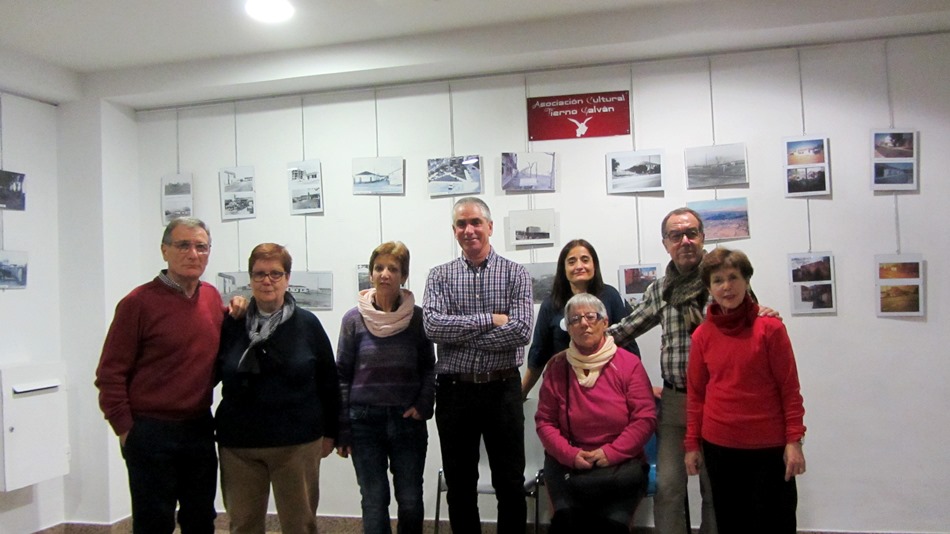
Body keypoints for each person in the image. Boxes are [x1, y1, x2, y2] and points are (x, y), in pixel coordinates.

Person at [96, 217, 233, 534]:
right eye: (183, 245)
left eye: (201, 247)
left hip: (198, 427)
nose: (193, 254)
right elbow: (110, 373)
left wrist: (237, 309)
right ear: (164, 250)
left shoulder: (212, 298)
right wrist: (126, 429)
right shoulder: (137, 304)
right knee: (153, 521)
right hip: (149, 431)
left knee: (200, 518)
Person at [422, 197, 533, 534]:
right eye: (461, 224)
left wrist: (460, 336)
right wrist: (491, 320)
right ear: (454, 230)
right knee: (460, 483)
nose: (468, 230)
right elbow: (433, 327)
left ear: (490, 227)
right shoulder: (439, 276)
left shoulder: (516, 273)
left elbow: (522, 331)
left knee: (510, 481)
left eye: (475, 222)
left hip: (503, 389)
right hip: (455, 392)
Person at [606, 207, 719, 534]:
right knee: (668, 487)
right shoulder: (660, 290)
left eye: (691, 233)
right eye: (676, 235)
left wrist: (766, 316)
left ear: (702, 237)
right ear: (666, 243)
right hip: (675, 403)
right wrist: (585, 339)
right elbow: (626, 329)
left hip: (719, 402)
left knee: (715, 490)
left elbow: (750, 319)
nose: (685, 241)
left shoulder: (721, 278)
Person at [214, 243, 340, 534]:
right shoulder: (232, 324)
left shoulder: (307, 325)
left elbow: (329, 382)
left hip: (296, 444)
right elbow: (212, 371)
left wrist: (332, 433)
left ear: (287, 278)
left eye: (275, 273)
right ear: (250, 279)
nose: (267, 281)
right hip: (239, 445)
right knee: (243, 525)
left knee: (300, 526)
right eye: (259, 274)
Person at [685, 248, 806, 533]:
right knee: (732, 523)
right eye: (717, 280)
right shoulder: (702, 335)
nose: (726, 286)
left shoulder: (770, 328)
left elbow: (790, 389)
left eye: (733, 277)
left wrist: (794, 441)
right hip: (721, 447)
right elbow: (696, 395)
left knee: (776, 522)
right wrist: (691, 444)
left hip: (770, 447)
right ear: (709, 288)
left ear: (747, 281)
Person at [336, 241, 436, 534]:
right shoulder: (353, 320)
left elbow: (429, 367)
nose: (385, 274)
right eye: (378, 268)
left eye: (393, 268)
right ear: (370, 274)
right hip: (364, 423)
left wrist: (423, 406)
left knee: (410, 501)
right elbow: (341, 374)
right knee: (374, 501)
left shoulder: (417, 319)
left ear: (403, 275)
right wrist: (342, 428)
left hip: (407, 422)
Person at [535, 293, 656, 534]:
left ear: (605, 322)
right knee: (565, 526)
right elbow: (545, 422)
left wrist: (610, 453)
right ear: (568, 328)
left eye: (591, 316)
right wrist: (570, 454)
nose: (584, 323)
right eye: (575, 319)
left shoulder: (629, 364)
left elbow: (645, 419)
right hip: (568, 466)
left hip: (619, 465)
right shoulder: (557, 367)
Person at [521, 238, 640, 400]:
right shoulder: (551, 304)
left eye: (585, 260)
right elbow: (539, 353)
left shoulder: (611, 296)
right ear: (563, 268)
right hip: (565, 387)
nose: (579, 266)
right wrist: (521, 394)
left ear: (594, 265)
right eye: (571, 261)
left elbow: (628, 345)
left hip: (610, 386)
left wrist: (640, 388)